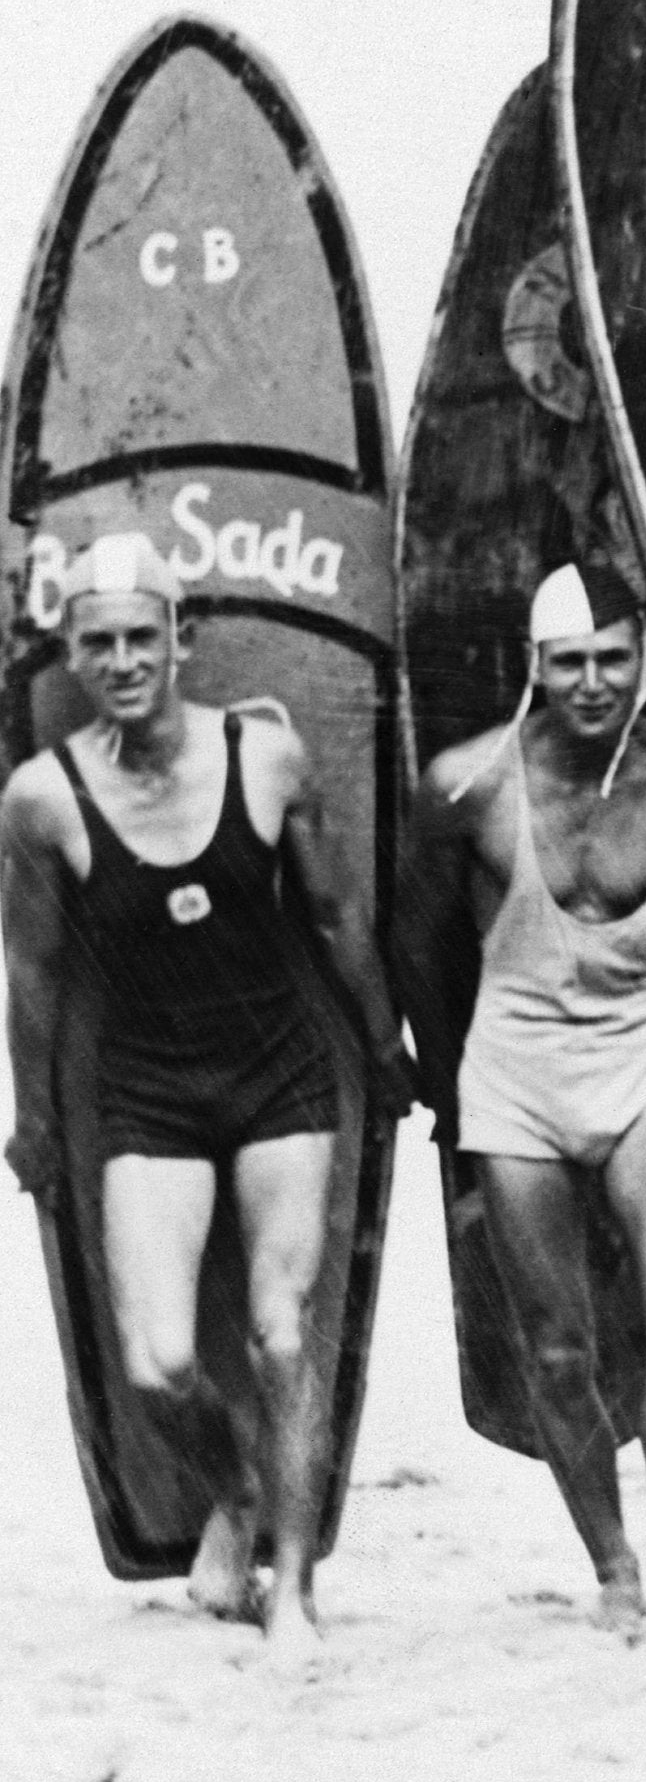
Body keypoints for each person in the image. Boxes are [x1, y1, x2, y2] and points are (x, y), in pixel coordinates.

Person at [1, 532, 404, 1659]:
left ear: (181, 642)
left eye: (143, 637)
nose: (125, 660)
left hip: (279, 1073)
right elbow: (34, 977)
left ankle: (293, 1594)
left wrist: (382, 1042)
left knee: (283, 1336)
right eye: (100, 644)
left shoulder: (264, 758)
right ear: (72, 656)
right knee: (159, 1363)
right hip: (149, 1091)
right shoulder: (43, 798)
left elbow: (334, 916)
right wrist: (33, 1117)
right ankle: (235, 1491)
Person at [406, 563, 646, 1633]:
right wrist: (452, 1094)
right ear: (535, 668)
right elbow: (416, 940)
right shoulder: (471, 782)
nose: (592, 683)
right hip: (516, 1074)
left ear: (642, 663)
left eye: (612, 661)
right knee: (556, 1345)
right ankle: (612, 1567)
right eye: (570, 663)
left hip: (642, 1059)